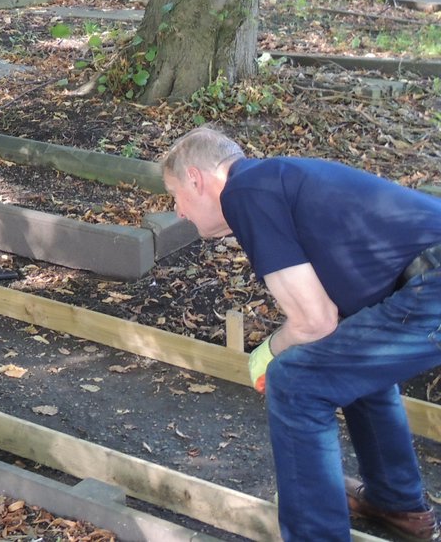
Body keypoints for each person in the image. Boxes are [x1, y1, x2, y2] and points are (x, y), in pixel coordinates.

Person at [161, 126, 441, 542]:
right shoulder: (272, 181)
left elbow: (314, 321)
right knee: (342, 357)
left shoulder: (244, 192)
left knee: (295, 382)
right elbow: (329, 321)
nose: (179, 212)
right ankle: (396, 503)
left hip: (431, 287)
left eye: (175, 197)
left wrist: (266, 355)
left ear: (196, 179)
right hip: (424, 283)